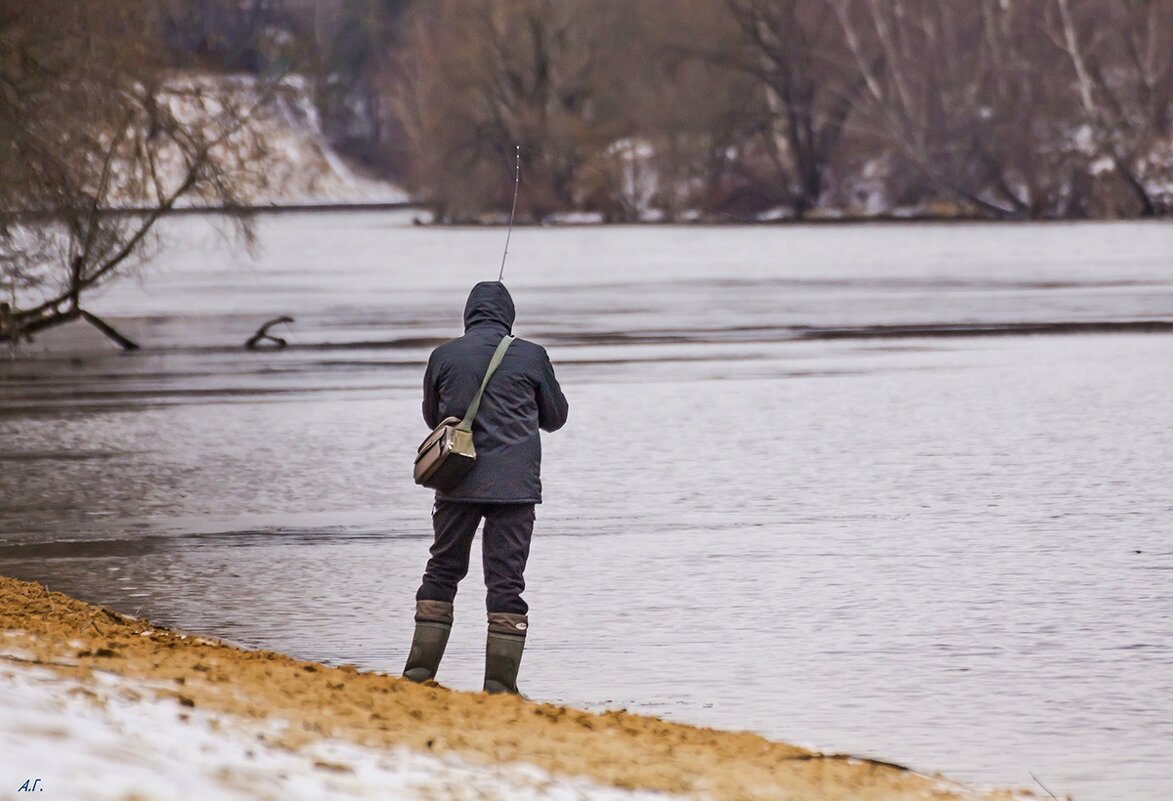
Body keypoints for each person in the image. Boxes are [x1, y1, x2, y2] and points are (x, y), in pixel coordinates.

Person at [403, 281, 568, 695]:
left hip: (456, 481)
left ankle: (418, 678)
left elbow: (431, 417)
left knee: (442, 570)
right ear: (509, 315)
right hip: (515, 489)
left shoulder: (443, 356)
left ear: (468, 314)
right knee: (507, 581)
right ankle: (499, 688)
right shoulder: (532, 355)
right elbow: (556, 417)